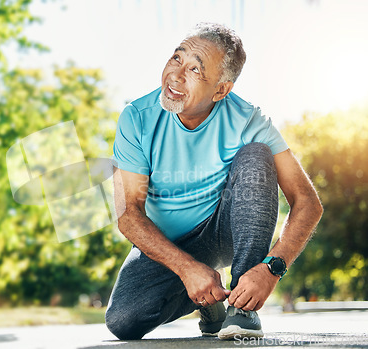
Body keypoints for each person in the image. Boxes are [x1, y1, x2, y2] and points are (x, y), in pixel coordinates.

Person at [105, 22, 323, 341]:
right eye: (177, 58)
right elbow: (128, 215)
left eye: (195, 69)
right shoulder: (137, 117)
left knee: (256, 155)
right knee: (123, 320)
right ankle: (210, 302)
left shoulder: (248, 119)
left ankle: (242, 307)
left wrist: (272, 267)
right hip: (171, 241)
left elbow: (307, 202)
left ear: (220, 90)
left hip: (226, 228)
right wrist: (187, 268)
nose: (176, 74)